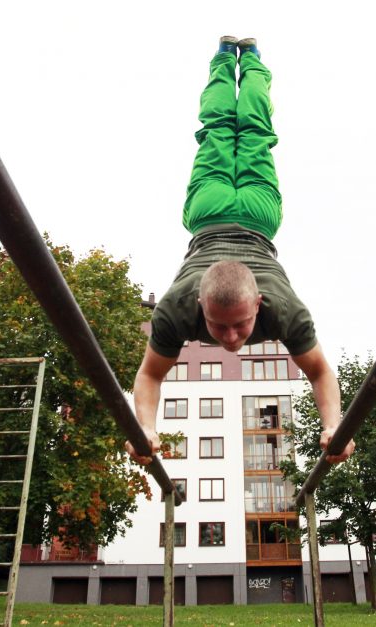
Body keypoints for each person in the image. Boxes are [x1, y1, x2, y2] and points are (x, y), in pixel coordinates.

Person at [125, 37, 354, 466]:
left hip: (218, 215)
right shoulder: (189, 308)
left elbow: (151, 374)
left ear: (259, 304)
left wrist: (333, 427)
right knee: (249, 131)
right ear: (199, 304)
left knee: (222, 129)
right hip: (248, 216)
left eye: (239, 325)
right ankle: (243, 57)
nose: (230, 338)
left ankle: (231, 57)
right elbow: (320, 370)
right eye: (219, 325)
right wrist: (145, 428)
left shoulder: (194, 309)